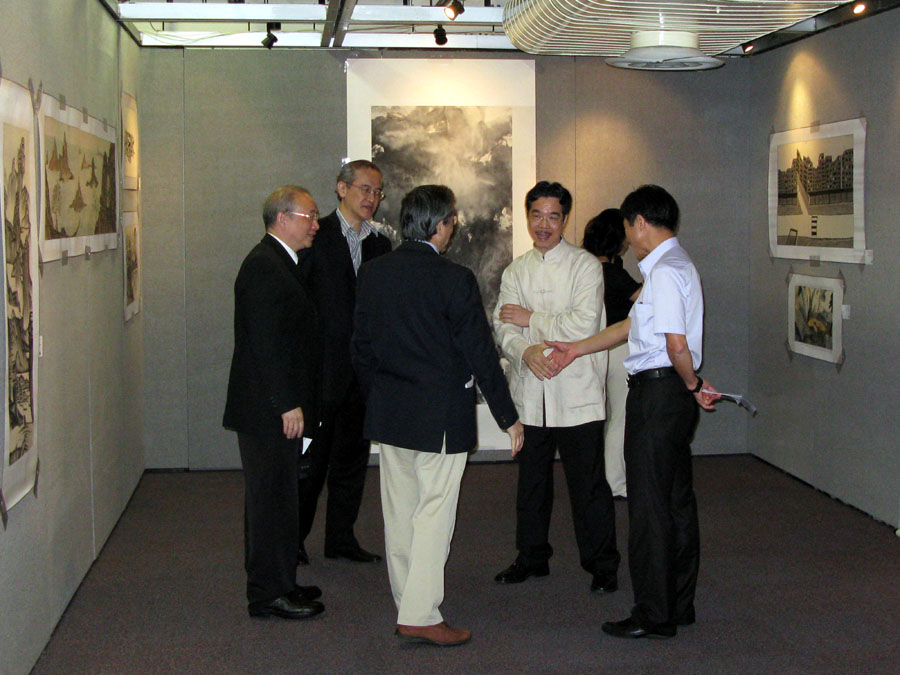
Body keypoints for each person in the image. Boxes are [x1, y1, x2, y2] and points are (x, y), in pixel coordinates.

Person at [351, 184, 524, 647]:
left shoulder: (373, 273)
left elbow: (361, 349)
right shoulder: (455, 279)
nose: (453, 228)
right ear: (439, 225)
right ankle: (421, 615)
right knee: (433, 515)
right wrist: (508, 417)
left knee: (400, 514)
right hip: (441, 417)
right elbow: (480, 354)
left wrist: (379, 397)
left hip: (391, 415)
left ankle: (408, 605)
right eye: (451, 221)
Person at [547, 184, 721, 639]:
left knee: (649, 509)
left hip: (658, 396)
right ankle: (677, 604)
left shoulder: (665, 271)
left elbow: (676, 344)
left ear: (640, 223)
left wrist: (692, 383)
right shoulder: (675, 264)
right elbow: (631, 326)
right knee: (676, 502)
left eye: (628, 225)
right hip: (670, 394)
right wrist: (576, 348)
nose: (627, 235)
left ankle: (653, 614)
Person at [492, 181, 620, 595]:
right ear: (527, 217)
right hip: (531, 390)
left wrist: (531, 319)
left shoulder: (586, 266)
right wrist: (526, 350)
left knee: (588, 484)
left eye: (553, 216)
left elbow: (582, 324)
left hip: (577, 390)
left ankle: (602, 563)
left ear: (565, 220)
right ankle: (531, 557)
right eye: (536, 215)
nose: (543, 224)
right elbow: (503, 326)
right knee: (531, 483)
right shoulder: (516, 270)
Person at [223, 186, 325, 620]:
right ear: (282, 218)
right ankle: (267, 594)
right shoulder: (264, 266)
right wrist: (286, 403)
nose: (316, 225)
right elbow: (264, 345)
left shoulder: (283, 261)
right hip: (268, 411)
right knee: (269, 503)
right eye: (309, 216)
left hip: (275, 406)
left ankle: (283, 582)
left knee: (282, 499)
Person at [296, 160, 392, 565]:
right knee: (311, 464)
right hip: (322, 373)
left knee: (352, 463)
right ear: (341, 188)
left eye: (377, 192)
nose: (371, 198)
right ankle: (293, 540)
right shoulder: (316, 237)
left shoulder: (380, 245)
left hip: (362, 374)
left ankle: (340, 538)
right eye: (364, 189)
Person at [582, 209, 642, 499]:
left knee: (597, 419)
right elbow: (646, 298)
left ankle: (599, 478)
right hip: (619, 350)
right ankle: (616, 482)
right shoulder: (614, 273)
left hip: (590, 349)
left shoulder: (584, 270)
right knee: (620, 417)